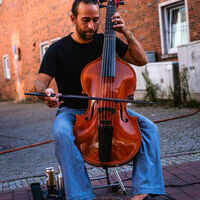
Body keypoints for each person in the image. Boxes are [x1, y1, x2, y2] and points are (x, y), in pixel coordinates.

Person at [34, 0, 166, 199]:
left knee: (150, 129)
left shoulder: (107, 41)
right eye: (85, 20)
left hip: (113, 109)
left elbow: (141, 60)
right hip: (72, 111)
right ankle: (81, 195)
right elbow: (40, 82)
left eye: (96, 20)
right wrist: (47, 93)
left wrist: (126, 32)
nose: (91, 26)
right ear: (73, 18)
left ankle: (144, 190)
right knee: (61, 131)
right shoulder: (57, 49)